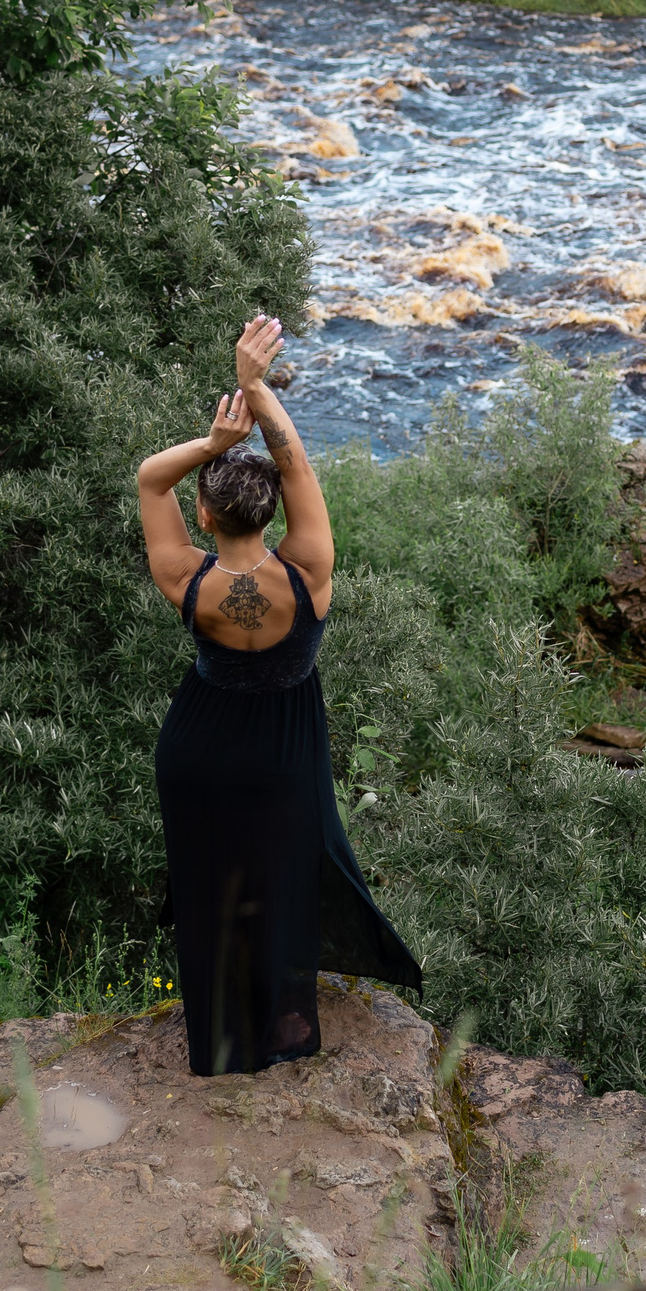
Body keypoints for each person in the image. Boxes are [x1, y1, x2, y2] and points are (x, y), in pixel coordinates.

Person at [136, 313, 421, 1075]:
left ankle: (221, 1042)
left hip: (196, 750)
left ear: (203, 514)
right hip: (284, 753)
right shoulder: (308, 568)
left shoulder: (185, 577)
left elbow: (148, 476)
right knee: (282, 876)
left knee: (211, 887)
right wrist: (255, 387)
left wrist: (213, 444)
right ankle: (285, 1028)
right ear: (270, 512)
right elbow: (295, 463)